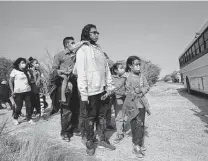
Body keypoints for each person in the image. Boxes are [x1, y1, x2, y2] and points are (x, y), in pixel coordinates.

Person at [76, 24, 116, 156]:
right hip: (90, 91)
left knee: (102, 117)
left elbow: (106, 69)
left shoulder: (99, 49)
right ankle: (90, 143)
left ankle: (103, 140)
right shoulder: (82, 49)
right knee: (90, 118)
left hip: (102, 90)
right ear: (87, 33)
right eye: (93, 32)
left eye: (97, 32)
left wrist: (109, 86)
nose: (97, 34)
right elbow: (81, 72)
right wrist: (83, 94)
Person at [48, 37, 84, 141]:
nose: (74, 44)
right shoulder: (60, 55)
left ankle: (75, 128)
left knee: (76, 106)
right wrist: (62, 72)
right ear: (66, 44)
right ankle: (65, 132)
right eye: (72, 43)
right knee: (66, 109)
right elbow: (53, 71)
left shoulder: (77, 54)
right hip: (64, 84)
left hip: (76, 83)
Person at [123, 56, 151, 158]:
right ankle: (137, 146)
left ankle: (139, 144)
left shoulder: (142, 76)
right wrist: (132, 92)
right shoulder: (127, 77)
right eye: (136, 64)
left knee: (141, 124)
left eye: (139, 64)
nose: (139, 66)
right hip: (132, 106)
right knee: (135, 125)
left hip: (142, 105)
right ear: (130, 66)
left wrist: (141, 90)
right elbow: (125, 90)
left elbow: (147, 86)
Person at [9, 57, 34, 125]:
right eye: (22, 63)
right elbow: (10, 82)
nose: (24, 64)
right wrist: (12, 91)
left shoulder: (27, 71)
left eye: (24, 63)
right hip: (18, 92)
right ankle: (15, 118)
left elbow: (30, 80)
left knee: (29, 106)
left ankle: (29, 118)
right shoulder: (14, 71)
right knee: (19, 106)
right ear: (18, 64)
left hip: (27, 90)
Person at [110, 62, 127, 144]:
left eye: (123, 68)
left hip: (120, 98)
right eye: (121, 68)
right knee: (107, 114)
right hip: (110, 98)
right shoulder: (110, 77)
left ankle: (120, 133)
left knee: (119, 115)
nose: (123, 69)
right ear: (116, 70)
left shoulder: (125, 78)